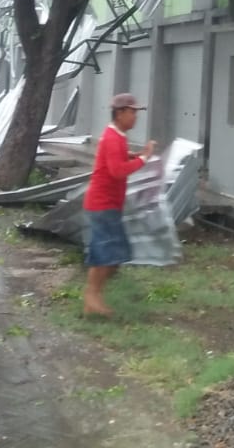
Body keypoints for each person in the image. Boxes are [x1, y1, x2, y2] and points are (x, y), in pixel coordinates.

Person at [82, 92, 156, 316]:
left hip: (109, 204)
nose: (135, 117)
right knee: (105, 254)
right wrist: (144, 159)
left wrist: (134, 155)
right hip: (102, 204)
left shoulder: (116, 136)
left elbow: (117, 159)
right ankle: (92, 296)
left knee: (111, 255)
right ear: (120, 113)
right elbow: (116, 170)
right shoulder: (114, 138)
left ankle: (93, 297)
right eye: (132, 112)